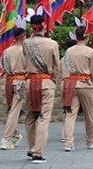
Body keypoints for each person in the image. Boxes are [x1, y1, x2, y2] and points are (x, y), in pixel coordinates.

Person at [23, 11, 60, 163]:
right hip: (45, 81)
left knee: (30, 117)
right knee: (44, 118)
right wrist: (54, 80)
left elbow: (25, 61)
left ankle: (32, 147)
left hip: (30, 82)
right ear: (44, 25)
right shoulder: (52, 44)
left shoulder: (26, 43)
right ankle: (38, 151)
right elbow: (57, 66)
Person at [61, 20, 93, 151]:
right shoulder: (89, 51)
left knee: (70, 114)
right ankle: (90, 139)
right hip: (85, 84)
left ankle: (68, 143)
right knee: (89, 114)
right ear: (87, 36)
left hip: (71, 84)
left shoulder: (69, 51)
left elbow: (65, 69)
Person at [0, 20, 27, 151]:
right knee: (15, 110)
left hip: (9, 80)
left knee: (12, 109)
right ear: (23, 36)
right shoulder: (26, 51)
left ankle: (15, 134)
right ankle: (7, 138)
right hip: (21, 80)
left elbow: (3, 66)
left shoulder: (7, 51)